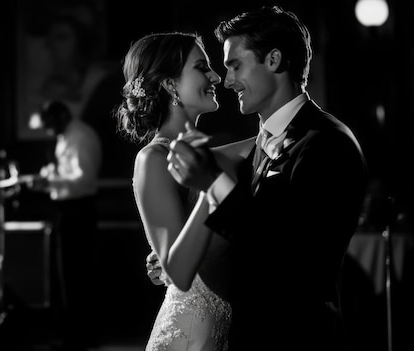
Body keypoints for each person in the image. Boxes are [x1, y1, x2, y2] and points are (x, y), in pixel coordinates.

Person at [164, 6, 368, 351]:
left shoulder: (327, 142)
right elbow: (248, 244)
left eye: (235, 66)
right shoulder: (263, 143)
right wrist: (192, 260)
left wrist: (214, 182)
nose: (226, 81)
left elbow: (291, 259)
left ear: (273, 60)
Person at [114, 31, 252, 351]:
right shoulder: (153, 158)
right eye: (202, 67)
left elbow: (262, 146)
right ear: (170, 84)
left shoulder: (210, 156)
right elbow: (178, 271)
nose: (216, 76)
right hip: (189, 333)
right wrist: (209, 188)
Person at [27, 99, 102, 351]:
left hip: (79, 211)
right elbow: (68, 172)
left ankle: (81, 339)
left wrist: (50, 183)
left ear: (60, 118)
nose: (49, 131)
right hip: (67, 211)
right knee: (67, 276)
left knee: (78, 276)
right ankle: (73, 336)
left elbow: (84, 180)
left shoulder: (81, 136)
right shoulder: (66, 136)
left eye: (50, 125)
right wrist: (51, 176)